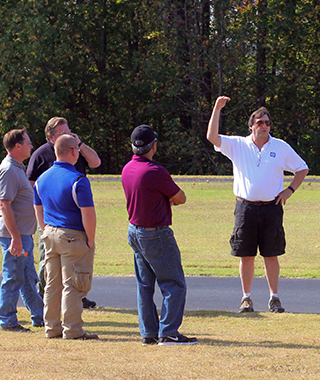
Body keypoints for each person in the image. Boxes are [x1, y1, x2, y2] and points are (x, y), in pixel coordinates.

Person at [206, 96, 309, 313]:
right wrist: (217, 108)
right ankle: (246, 298)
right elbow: (212, 136)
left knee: (271, 254)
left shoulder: (280, 147)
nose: (264, 126)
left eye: (267, 123)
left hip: (271, 207)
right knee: (247, 255)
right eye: (259, 123)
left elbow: (302, 168)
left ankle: (274, 298)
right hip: (246, 208)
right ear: (251, 126)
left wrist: (289, 191)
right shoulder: (238, 145)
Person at [122, 125, 197, 345]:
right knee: (173, 283)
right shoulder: (155, 171)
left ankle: (149, 333)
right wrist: (169, 200)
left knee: (145, 285)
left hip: (134, 230)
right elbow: (181, 197)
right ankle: (169, 332)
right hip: (155, 232)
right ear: (153, 145)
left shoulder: (127, 168)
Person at [27, 117, 101, 308]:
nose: (69, 135)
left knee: (75, 266)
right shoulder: (41, 155)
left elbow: (96, 163)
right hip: (53, 219)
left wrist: (80, 144)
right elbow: (33, 187)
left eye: (69, 131)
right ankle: (45, 300)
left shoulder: (75, 148)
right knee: (49, 265)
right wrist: (43, 226)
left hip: (75, 219)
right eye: (63, 133)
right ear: (51, 137)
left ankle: (78, 299)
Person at [33, 134, 98, 340]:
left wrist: (44, 229)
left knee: (52, 283)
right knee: (74, 283)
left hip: (50, 232)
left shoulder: (42, 178)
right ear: (73, 152)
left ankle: (52, 327)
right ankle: (73, 329)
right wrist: (90, 239)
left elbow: (38, 207)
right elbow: (88, 212)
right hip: (72, 234)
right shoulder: (78, 180)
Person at [0, 128, 44, 333]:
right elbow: (4, 205)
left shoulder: (17, 168)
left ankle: (39, 315)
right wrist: (15, 238)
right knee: (13, 276)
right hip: (14, 236)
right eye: (28, 142)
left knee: (27, 276)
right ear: (17, 146)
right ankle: (7, 320)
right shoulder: (8, 170)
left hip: (23, 235)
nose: (31, 146)